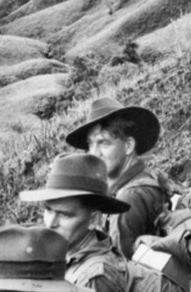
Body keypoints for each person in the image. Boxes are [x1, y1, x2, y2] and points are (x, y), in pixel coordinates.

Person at [65, 97, 165, 260]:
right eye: (90, 144)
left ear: (128, 146)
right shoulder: (145, 177)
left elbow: (118, 271)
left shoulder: (127, 199)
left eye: (104, 143)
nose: (94, 154)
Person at [19, 153, 132, 292]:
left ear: (93, 220)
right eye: (48, 210)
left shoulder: (94, 277)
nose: (50, 224)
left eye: (64, 215)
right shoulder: (69, 253)